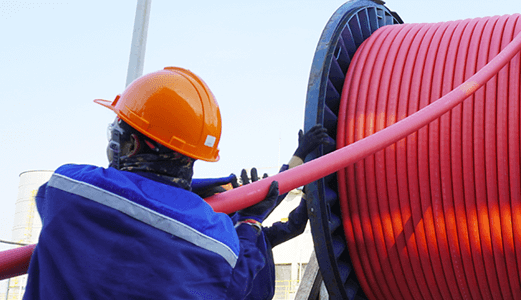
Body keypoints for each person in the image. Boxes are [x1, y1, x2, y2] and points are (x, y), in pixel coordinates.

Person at [23, 66, 331, 299]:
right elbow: (238, 277)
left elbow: (148, 197)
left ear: (131, 145)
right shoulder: (217, 243)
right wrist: (250, 219)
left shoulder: (69, 189)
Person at [194, 124, 333, 300]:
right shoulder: (230, 233)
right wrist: (299, 155)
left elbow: (294, 225)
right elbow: (274, 195)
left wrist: (308, 194)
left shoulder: (259, 236)